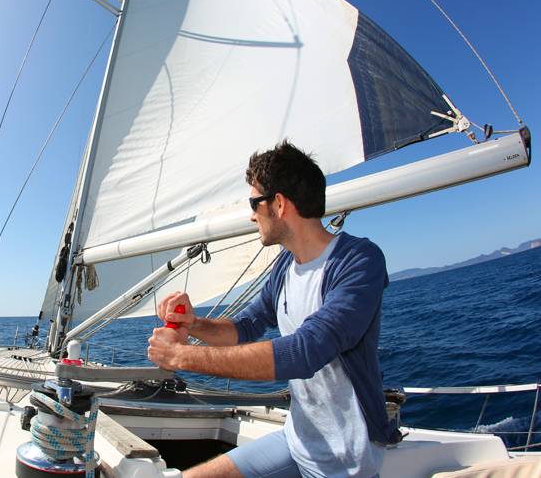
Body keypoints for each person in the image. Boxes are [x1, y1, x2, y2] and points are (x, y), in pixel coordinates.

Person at [147, 140, 398, 477]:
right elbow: (247, 325)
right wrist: (194, 324)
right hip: (297, 441)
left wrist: (180, 357)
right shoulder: (285, 267)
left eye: (254, 203)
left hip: (348, 459)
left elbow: (306, 352)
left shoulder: (358, 261)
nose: (252, 215)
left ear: (279, 204)